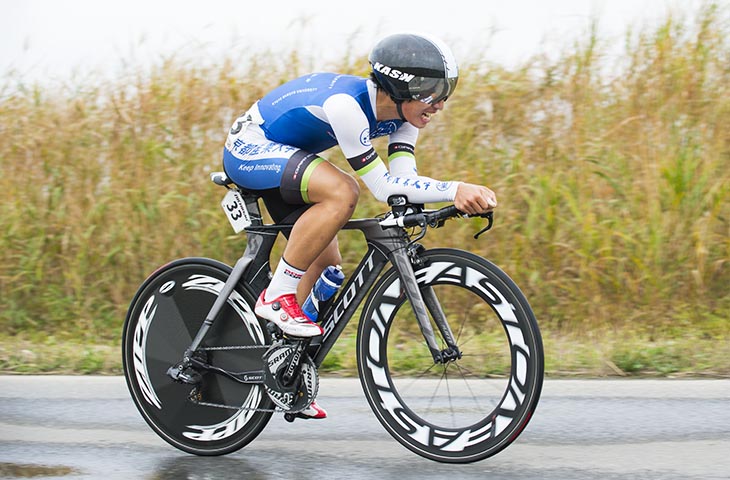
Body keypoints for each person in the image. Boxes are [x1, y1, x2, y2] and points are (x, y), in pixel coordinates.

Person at [222, 32, 497, 419]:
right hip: (250, 148)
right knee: (342, 191)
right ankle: (275, 296)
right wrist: (453, 189)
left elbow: (404, 183)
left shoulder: (403, 121)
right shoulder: (347, 106)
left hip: (288, 156)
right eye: (432, 92)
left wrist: (443, 203)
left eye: (444, 93)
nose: (439, 104)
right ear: (401, 85)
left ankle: (285, 368)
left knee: (325, 265)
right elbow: (383, 187)